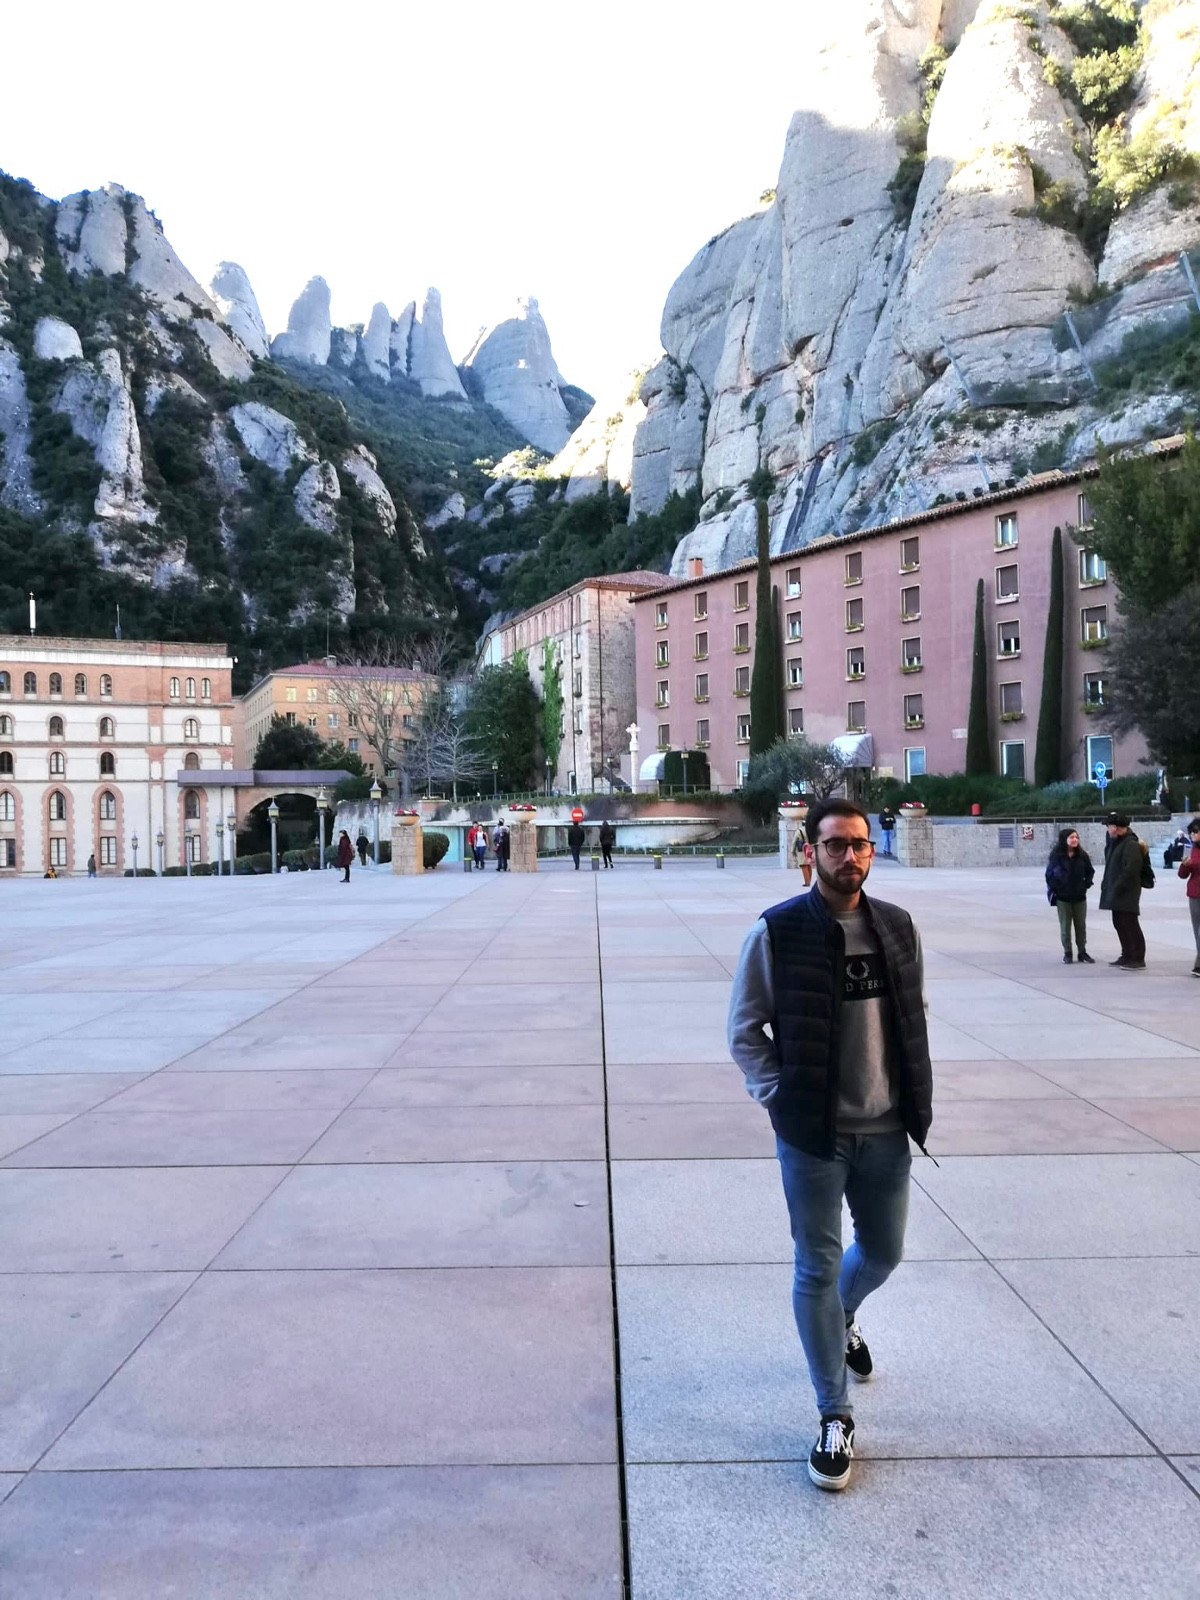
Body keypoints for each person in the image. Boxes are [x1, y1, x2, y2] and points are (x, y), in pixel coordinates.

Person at [727, 797, 932, 1494]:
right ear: (809, 851)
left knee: (883, 1252)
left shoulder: (897, 927)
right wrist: (780, 1096)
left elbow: (911, 1017)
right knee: (815, 1266)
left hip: (887, 1130)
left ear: (872, 850)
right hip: (814, 1136)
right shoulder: (777, 931)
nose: (849, 856)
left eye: (860, 844)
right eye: (835, 844)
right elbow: (745, 1030)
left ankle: (843, 1318)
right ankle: (833, 1415)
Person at [1099, 811, 1146, 969]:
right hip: (1117, 890)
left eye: (1109, 826)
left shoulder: (1130, 844)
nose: (1107, 830)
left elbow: (1131, 870)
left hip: (1127, 891)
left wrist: (1117, 886)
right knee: (1119, 922)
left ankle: (1137, 958)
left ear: (1116, 827)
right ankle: (1127, 954)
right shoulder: (1116, 842)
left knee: (1130, 923)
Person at [1044, 827, 1096, 964]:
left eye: (1076, 837)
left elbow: (1090, 871)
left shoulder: (1082, 855)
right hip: (1063, 898)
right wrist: (1058, 888)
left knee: (1081, 926)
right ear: (1064, 839)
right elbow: (1049, 875)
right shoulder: (1057, 856)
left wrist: (1086, 884)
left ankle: (1082, 952)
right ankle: (1068, 952)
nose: (1075, 840)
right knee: (1065, 927)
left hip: (1079, 897)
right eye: (1071, 837)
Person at [1179, 817, 1200, 976]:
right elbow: (1182, 874)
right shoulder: (1191, 848)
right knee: (1197, 930)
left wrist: (1192, 863)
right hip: (1194, 893)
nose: (1192, 835)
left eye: (1195, 832)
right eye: (1191, 832)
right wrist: (1184, 865)